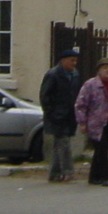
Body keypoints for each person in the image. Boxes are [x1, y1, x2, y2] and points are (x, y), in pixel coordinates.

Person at [75, 59, 108, 187]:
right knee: (101, 149)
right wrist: (82, 122)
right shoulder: (90, 85)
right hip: (96, 123)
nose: (107, 70)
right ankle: (104, 177)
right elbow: (81, 105)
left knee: (102, 150)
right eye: (104, 68)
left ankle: (94, 177)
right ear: (99, 71)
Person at [38, 49, 81, 182]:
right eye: (71, 60)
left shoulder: (75, 74)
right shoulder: (53, 74)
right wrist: (51, 112)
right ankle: (68, 171)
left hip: (70, 115)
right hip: (57, 115)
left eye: (75, 60)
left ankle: (54, 173)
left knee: (59, 144)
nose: (74, 63)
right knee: (64, 142)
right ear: (63, 60)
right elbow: (45, 96)